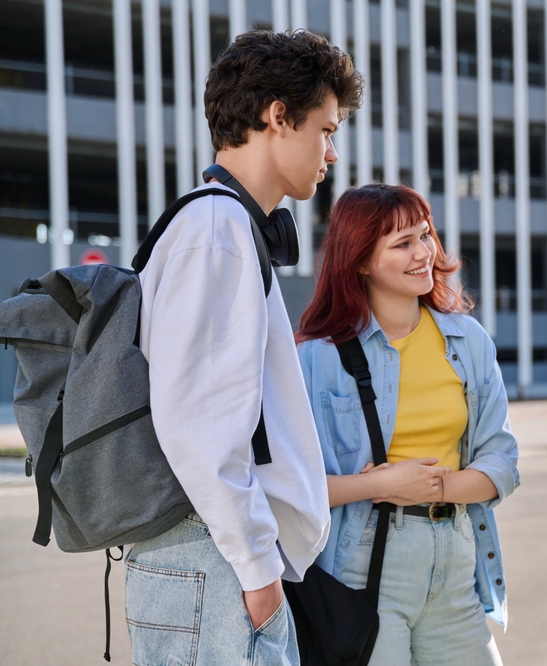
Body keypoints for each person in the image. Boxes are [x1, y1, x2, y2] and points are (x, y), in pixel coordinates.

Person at [126, 30, 364, 665]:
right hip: (217, 561)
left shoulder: (220, 223)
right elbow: (197, 423)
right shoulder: (218, 228)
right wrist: (259, 571)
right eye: (325, 129)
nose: (332, 153)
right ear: (276, 117)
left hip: (214, 556)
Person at [296, 183, 519, 665]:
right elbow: (291, 486)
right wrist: (375, 486)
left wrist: (430, 488)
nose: (424, 253)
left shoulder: (468, 341)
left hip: (457, 557)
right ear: (359, 260)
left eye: (425, 235)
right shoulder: (317, 358)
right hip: (363, 565)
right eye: (402, 244)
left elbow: (502, 465)